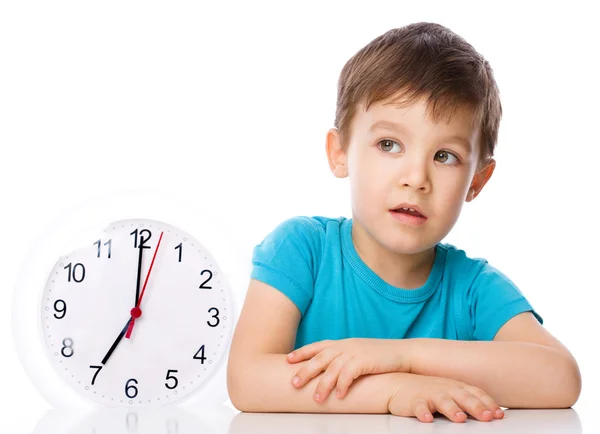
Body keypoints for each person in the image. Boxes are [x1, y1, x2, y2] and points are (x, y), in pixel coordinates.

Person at [226, 22, 581, 423]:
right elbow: (247, 378)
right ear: (340, 152)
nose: (416, 178)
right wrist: (393, 388)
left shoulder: (472, 288)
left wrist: (402, 358)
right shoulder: (301, 249)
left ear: (477, 181)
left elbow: (561, 378)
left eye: (445, 155)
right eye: (389, 145)